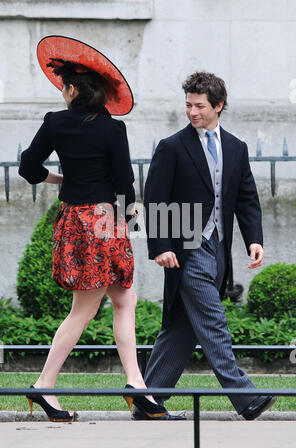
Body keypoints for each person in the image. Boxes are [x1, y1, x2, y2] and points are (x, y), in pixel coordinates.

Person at [18, 35, 167, 422]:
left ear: (71, 89)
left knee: (123, 299)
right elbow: (125, 184)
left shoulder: (55, 124)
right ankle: (43, 387)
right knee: (86, 310)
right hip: (106, 220)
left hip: (76, 220)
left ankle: (136, 384)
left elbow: (28, 168)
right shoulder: (112, 129)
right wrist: (128, 220)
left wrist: (61, 182)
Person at [140, 71, 276, 421]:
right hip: (187, 246)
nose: (192, 111)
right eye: (188, 104)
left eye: (199, 105)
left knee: (183, 327)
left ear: (218, 106)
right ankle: (245, 397)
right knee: (214, 322)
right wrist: (161, 246)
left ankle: (148, 401)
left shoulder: (236, 147)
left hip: (219, 248)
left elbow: (246, 198)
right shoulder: (171, 147)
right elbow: (154, 200)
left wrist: (254, 240)